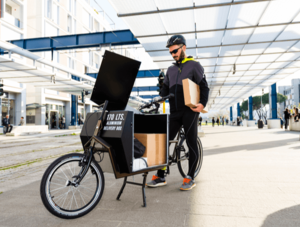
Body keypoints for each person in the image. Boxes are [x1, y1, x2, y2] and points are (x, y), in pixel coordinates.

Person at [146, 34, 209, 191]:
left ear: (183, 48)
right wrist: (158, 98)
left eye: (175, 51)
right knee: (164, 141)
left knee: (191, 142)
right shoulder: (171, 70)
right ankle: (161, 175)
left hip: (190, 111)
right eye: (171, 52)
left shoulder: (194, 65)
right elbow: (165, 89)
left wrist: (202, 104)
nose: (173, 54)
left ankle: (190, 176)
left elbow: (204, 86)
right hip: (174, 112)